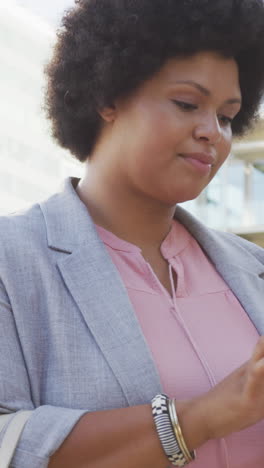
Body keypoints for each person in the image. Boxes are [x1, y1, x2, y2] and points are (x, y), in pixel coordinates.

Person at [1, 0, 264, 467]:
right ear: (108, 96)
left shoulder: (255, 269)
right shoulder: (12, 261)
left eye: (227, 116)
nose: (213, 133)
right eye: (187, 103)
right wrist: (204, 416)